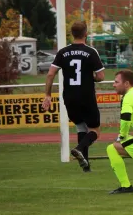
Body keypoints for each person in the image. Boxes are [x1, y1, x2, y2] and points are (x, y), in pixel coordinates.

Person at [42, 21, 104, 172]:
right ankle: (79, 148)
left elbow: (50, 74)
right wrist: (92, 78)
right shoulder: (91, 52)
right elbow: (101, 76)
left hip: (69, 96)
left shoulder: (62, 52)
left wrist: (48, 95)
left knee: (80, 127)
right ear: (85, 34)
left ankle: (86, 167)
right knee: (95, 131)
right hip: (86, 95)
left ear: (72, 34)